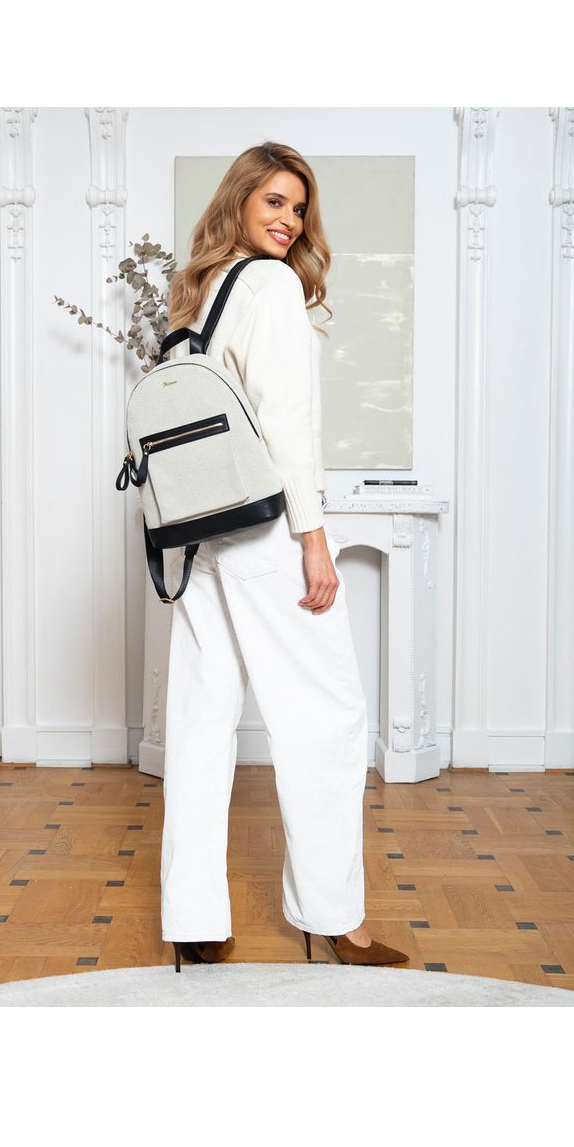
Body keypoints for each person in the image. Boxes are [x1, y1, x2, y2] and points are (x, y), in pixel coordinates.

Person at [159, 141, 408, 971]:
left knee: (201, 717)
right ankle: (337, 919)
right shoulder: (268, 285)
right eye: (273, 200)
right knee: (328, 714)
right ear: (238, 201)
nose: (289, 220)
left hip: (198, 531)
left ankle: (195, 917)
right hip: (264, 527)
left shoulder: (196, 295)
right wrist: (315, 539)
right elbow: (285, 424)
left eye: (298, 207)